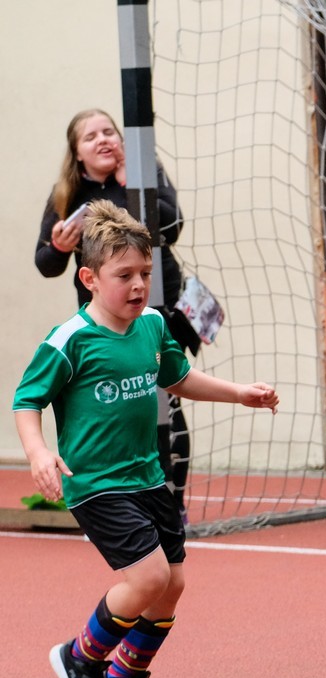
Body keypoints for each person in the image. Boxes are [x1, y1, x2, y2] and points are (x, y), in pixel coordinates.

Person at [15, 201, 279, 678]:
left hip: (148, 476)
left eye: (145, 273)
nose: (138, 285)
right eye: (124, 276)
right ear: (90, 279)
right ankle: (80, 658)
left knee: (172, 585)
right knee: (148, 577)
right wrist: (39, 451)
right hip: (96, 483)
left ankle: (125, 677)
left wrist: (238, 393)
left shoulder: (153, 325)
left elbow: (178, 378)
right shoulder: (71, 340)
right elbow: (27, 400)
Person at [34, 109, 200, 512]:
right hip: (105, 320)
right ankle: (115, 494)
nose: (103, 140)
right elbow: (45, 264)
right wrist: (59, 247)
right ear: (77, 152)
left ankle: (173, 501)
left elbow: (173, 225)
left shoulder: (144, 171)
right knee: (121, 400)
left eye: (109, 131)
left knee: (165, 396)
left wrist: (132, 184)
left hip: (160, 305)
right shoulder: (67, 194)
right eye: (91, 136)